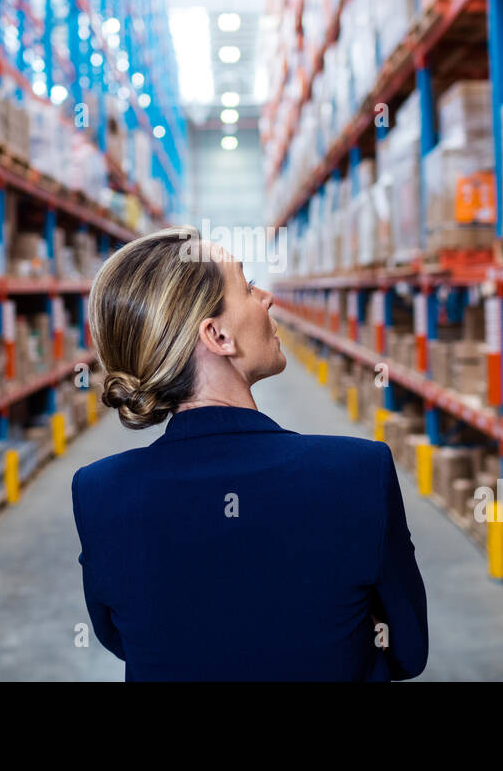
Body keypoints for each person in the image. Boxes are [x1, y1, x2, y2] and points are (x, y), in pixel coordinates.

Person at [71, 226, 428, 681]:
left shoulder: (100, 492)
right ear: (217, 336)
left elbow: (124, 640)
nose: (266, 298)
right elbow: (408, 651)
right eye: (246, 286)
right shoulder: (358, 472)